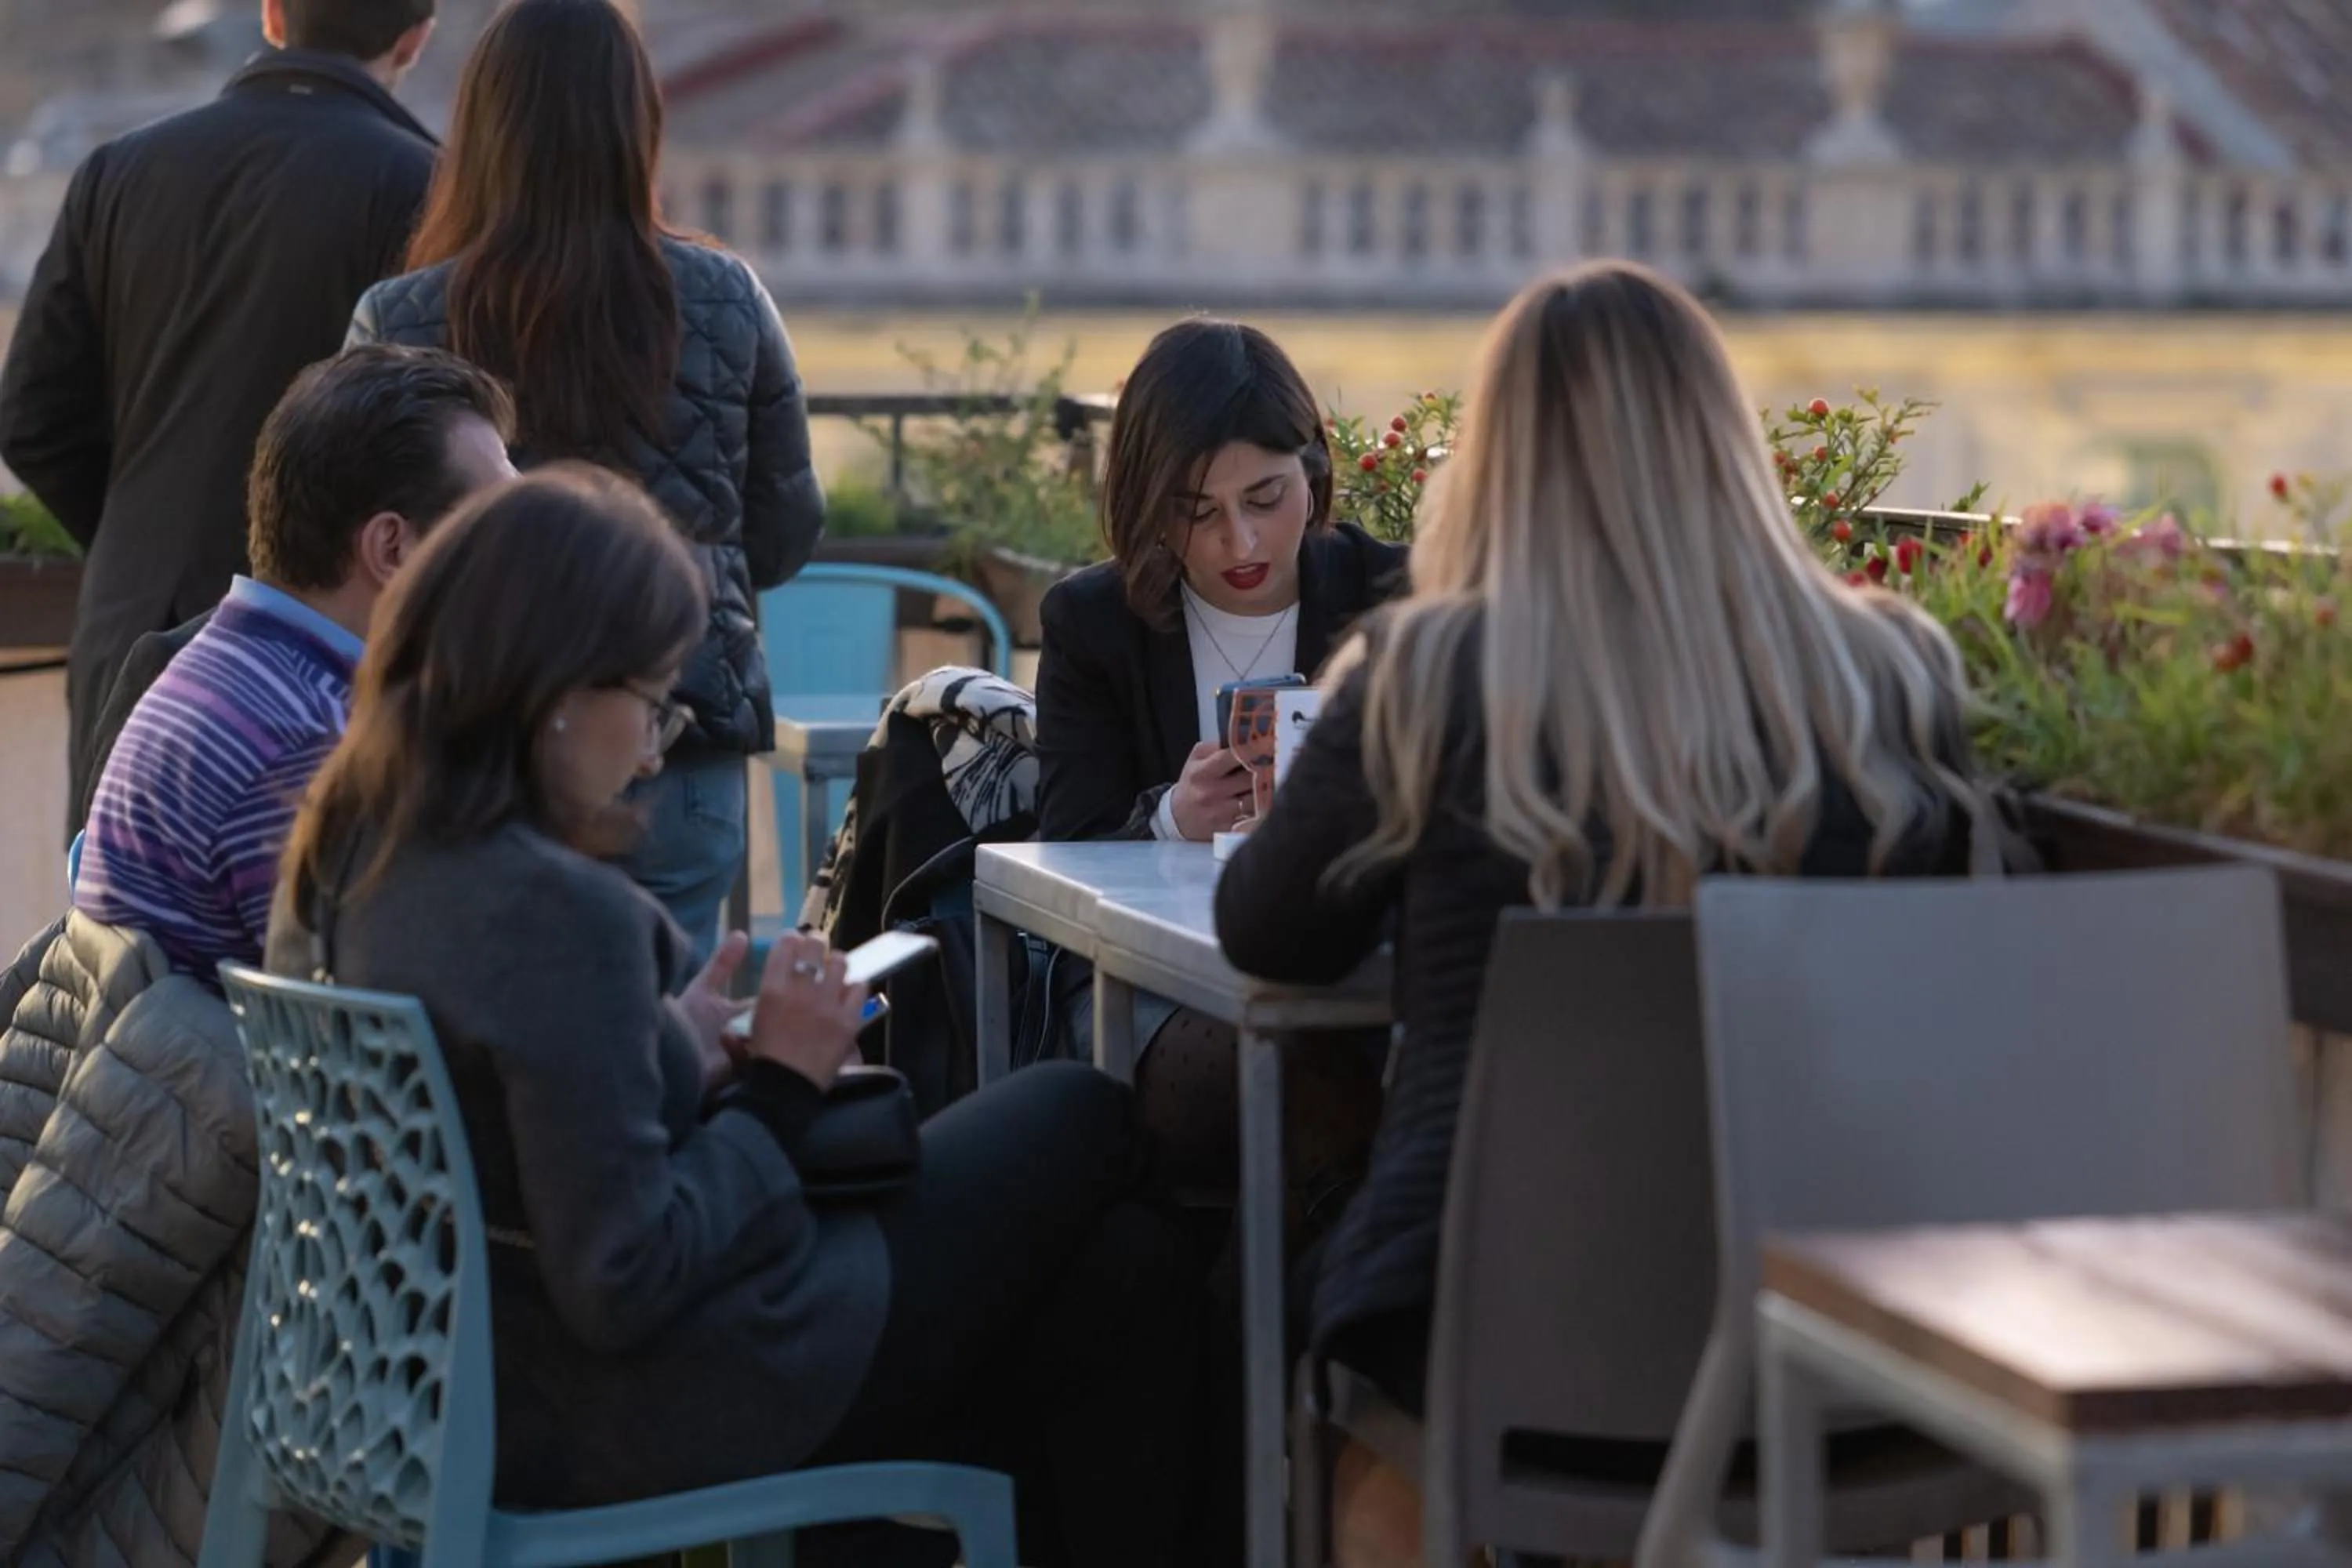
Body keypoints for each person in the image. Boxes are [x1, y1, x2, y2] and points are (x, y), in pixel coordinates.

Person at [267, 467, 1205, 1568]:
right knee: (1080, 1110)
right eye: (654, 701)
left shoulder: (356, 854)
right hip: (649, 1399)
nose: (659, 748)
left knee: (1122, 1274)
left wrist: (675, 1049)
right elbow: (625, 1277)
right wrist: (781, 1084)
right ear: (558, 687)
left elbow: (526, 1128)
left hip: (461, 1388)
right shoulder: (553, 916)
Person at [1215, 261, 1992, 1568]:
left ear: (1499, 463)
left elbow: (1267, 930)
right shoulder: (1893, 678)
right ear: (1725, 446)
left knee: (1337, 1351)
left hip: (1511, 1336)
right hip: (1844, 1345)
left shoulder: (1430, 676)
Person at [348, 0, 826, 957]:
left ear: (479, 130)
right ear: (635, 123)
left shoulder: (399, 318)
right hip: (679, 730)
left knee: (500, 1037)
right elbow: (784, 533)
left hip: (477, 749)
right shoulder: (726, 297)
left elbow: (366, 551)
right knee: (668, 1045)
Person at [0, 0, 444, 838]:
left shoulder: (119, 169)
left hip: (127, 623)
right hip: (325, 653)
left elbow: (30, 418)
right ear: (416, 37)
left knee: (116, 940)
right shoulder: (426, 189)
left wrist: (140, 536)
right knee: (288, 949)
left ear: (272, 16)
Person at [74, 345, 517, 987]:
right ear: (391, 546)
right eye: (492, 526)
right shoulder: (307, 745)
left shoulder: (228, 664)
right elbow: (406, 1022)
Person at [1035, 318, 1406, 845]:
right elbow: (1067, 844)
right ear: (1147, 507)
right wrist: (1169, 819)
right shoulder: (1092, 623)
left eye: (1266, 499)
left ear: (1314, 471)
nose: (1241, 543)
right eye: (1198, 513)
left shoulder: (1401, 595)